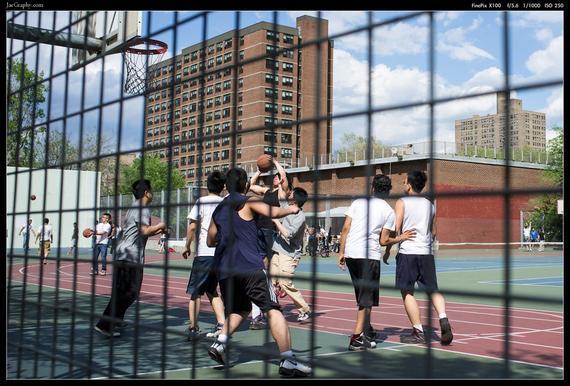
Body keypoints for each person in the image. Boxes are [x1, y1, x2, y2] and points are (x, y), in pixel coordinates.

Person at [206, 167, 311, 377]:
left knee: (240, 309)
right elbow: (273, 212)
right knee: (273, 309)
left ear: (226, 186)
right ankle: (288, 360)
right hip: (249, 266)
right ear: (245, 185)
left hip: (225, 269)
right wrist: (291, 210)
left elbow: (210, 240)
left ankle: (220, 343)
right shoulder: (249, 200)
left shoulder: (219, 209)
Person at [338, 174, 415, 351]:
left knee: (364, 298)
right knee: (366, 300)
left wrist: (341, 252)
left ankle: (365, 332)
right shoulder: (388, 211)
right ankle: (356, 338)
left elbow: (345, 228)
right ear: (388, 191)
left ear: (372, 188)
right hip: (369, 256)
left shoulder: (358, 202)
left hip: (351, 255)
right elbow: (384, 240)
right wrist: (401, 237)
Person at [387, 170, 453, 346]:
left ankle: (418, 331)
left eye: (403, 181)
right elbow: (434, 232)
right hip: (426, 253)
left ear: (409, 184)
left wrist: (389, 245)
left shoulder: (402, 202)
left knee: (407, 291)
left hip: (408, 252)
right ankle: (443, 317)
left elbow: (395, 227)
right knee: (433, 289)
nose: (402, 184)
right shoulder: (430, 205)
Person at [94, 179, 167, 338]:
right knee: (130, 292)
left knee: (120, 291)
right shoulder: (143, 208)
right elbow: (144, 230)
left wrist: (160, 231)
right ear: (147, 192)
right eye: (151, 190)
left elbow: (141, 231)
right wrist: (161, 226)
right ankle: (105, 324)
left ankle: (116, 320)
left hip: (122, 253)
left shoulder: (133, 207)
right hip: (130, 256)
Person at [248, 157, 293, 329]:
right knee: (261, 266)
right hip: (258, 230)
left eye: (277, 177)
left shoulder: (282, 193)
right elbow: (250, 185)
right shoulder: (267, 192)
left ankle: (270, 296)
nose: (275, 177)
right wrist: (260, 169)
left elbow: (282, 175)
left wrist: (273, 162)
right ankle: (265, 301)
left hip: (270, 232)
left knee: (266, 267)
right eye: (273, 176)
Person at [183, 171, 226, 341]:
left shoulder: (201, 202)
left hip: (204, 253)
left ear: (207, 185)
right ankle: (222, 324)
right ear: (222, 187)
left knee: (195, 293)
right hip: (221, 254)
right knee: (211, 290)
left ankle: (193, 328)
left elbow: (192, 227)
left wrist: (187, 245)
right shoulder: (225, 204)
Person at [270, 187, 311, 322]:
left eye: (292, 193)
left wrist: (276, 221)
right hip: (278, 250)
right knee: (272, 281)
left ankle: (304, 310)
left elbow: (288, 234)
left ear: (296, 198)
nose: (289, 193)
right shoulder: (287, 207)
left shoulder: (300, 216)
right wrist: (280, 178)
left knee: (285, 282)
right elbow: (281, 196)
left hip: (289, 254)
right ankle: (274, 303)